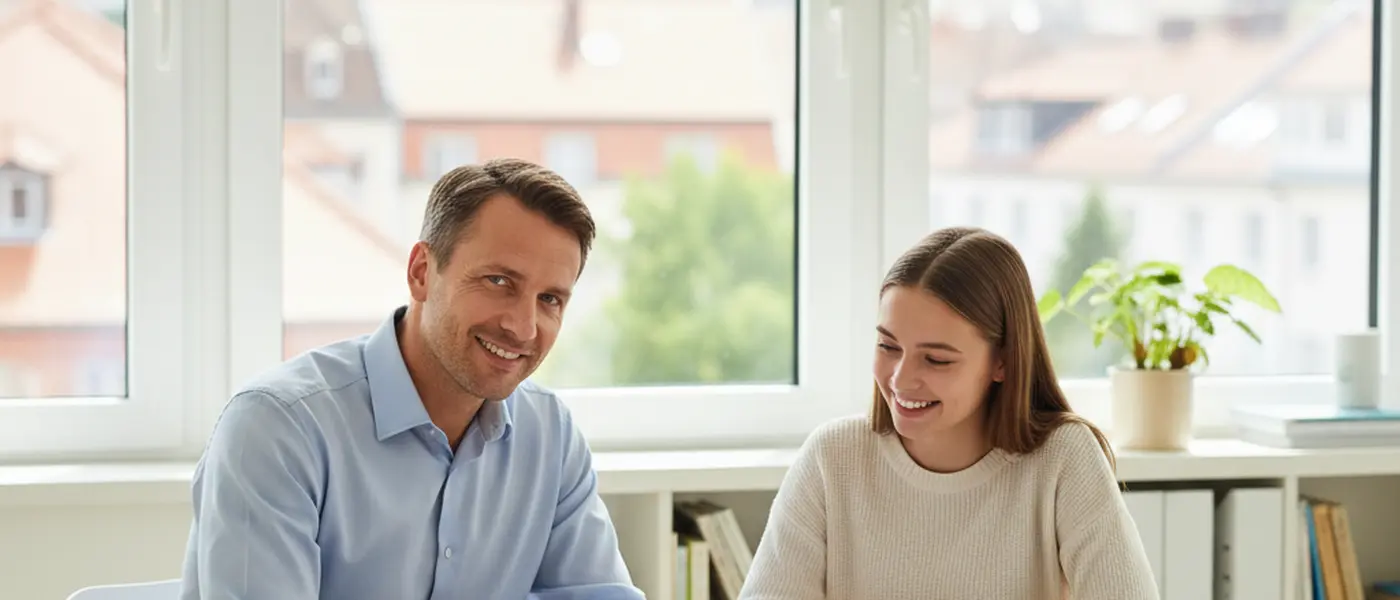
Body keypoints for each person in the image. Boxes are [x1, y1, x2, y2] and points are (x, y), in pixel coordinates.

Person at [179, 158, 644, 600]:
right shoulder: (277, 429)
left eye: (550, 300)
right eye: (499, 281)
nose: (523, 327)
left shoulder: (551, 438)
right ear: (422, 273)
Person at [739, 227, 1158, 600]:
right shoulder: (833, 457)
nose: (902, 379)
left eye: (936, 360)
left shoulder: (1063, 458)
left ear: (1003, 362)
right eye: (888, 347)